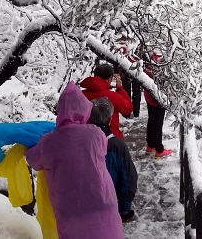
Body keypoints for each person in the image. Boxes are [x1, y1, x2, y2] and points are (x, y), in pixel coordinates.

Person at [24, 82, 124, 239]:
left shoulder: (49, 142)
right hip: (103, 202)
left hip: (70, 211)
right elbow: (101, 151)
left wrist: (27, 144)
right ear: (85, 110)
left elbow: (33, 161)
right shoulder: (96, 134)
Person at [88, 98, 138, 222]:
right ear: (110, 120)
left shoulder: (82, 143)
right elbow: (128, 178)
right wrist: (125, 208)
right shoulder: (117, 146)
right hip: (111, 205)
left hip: (87, 206)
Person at [79, 63, 133, 139]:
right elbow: (127, 109)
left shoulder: (81, 95)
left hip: (86, 138)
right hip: (110, 137)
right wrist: (120, 88)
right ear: (109, 79)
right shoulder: (112, 96)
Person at [144, 54, 172, 158]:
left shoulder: (149, 57)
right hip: (158, 97)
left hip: (149, 94)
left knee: (151, 120)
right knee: (157, 123)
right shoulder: (161, 60)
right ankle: (159, 150)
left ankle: (150, 145)